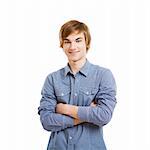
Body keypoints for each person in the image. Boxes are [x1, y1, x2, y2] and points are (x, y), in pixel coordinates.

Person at [38, 20, 117, 150]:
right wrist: (85, 116)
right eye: (67, 41)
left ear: (87, 43)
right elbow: (46, 121)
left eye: (78, 40)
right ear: (62, 45)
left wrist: (65, 109)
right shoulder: (52, 79)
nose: (72, 47)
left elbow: (103, 116)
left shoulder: (103, 75)